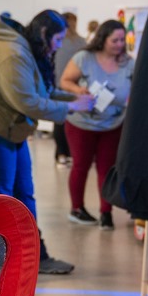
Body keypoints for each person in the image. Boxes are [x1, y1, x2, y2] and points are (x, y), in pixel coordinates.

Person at [0, 10, 94, 275]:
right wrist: (72, 107)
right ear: (44, 34)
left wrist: (73, 99)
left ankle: (33, 256)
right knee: (2, 195)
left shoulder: (26, 49)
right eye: (58, 39)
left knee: (23, 193)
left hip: (10, 129)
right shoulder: (12, 53)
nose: (58, 46)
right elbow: (26, 102)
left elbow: (41, 91)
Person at [58, 18, 134, 230]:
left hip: (112, 124)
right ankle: (77, 209)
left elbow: (136, 86)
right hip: (81, 123)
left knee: (106, 169)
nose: (119, 44)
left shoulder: (128, 63)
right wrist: (78, 91)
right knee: (80, 166)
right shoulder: (85, 58)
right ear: (103, 39)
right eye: (114, 40)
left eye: (122, 40)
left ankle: (106, 213)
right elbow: (65, 80)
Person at [52, 12, 86, 167]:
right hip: (70, 87)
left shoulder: (61, 41)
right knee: (66, 121)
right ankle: (65, 153)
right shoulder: (80, 43)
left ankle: (62, 153)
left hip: (64, 87)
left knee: (61, 121)